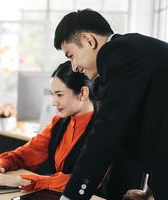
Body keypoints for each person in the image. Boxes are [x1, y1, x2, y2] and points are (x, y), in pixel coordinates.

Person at [54, 8, 168, 200]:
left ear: (88, 41)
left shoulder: (117, 52)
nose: (74, 67)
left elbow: (107, 131)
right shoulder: (130, 51)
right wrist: (152, 191)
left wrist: (72, 197)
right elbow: (157, 123)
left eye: (71, 55)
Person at [0, 60, 96, 193]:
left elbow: (88, 180)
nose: (54, 102)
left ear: (83, 93)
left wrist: (23, 180)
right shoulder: (59, 122)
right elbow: (28, 153)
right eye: (52, 95)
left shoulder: (103, 128)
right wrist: (1, 163)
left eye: (59, 95)